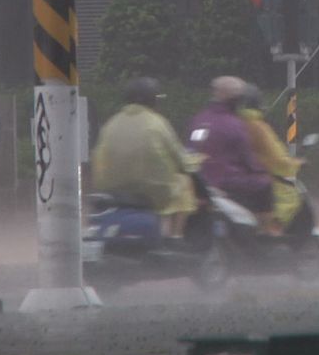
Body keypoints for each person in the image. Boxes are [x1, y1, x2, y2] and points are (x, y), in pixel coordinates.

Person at [91, 77, 202, 239]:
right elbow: (179, 157)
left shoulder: (112, 122)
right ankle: (173, 236)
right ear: (153, 99)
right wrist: (194, 163)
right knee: (183, 186)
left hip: (112, 190)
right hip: (150, 192)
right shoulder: (157, 123)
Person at [188, 76, 278, 234]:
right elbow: (248, 159)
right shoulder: (236, 124)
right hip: (228, 182)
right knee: (265, 184)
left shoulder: (199, 119)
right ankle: (265, 232)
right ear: (236, 100)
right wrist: (262, 170)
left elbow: (192, 148)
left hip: (198, 182)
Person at [238, 83, 305, 232]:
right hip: (262, 178)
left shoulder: (231, 124)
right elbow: (277, 157)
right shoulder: (258, 127)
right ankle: (273, 235)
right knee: (289, 201)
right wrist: (296, 164)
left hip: (233, 178)